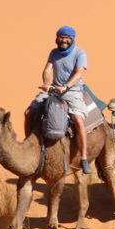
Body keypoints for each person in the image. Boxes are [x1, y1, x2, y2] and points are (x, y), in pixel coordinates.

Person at [35, 25, 92, 174]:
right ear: (57, 38)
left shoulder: (80, 53)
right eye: (61, 37)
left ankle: (84, 158)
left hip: (72, 91)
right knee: (31, 111)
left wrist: (66, 86)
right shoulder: (54, 52)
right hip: (54, 89)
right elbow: (47, 69)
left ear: (72, 38)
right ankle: (32, 148)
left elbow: (79, 72)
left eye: (67, 38)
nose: (64, 40)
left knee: (78, 121)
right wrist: (47, 83)